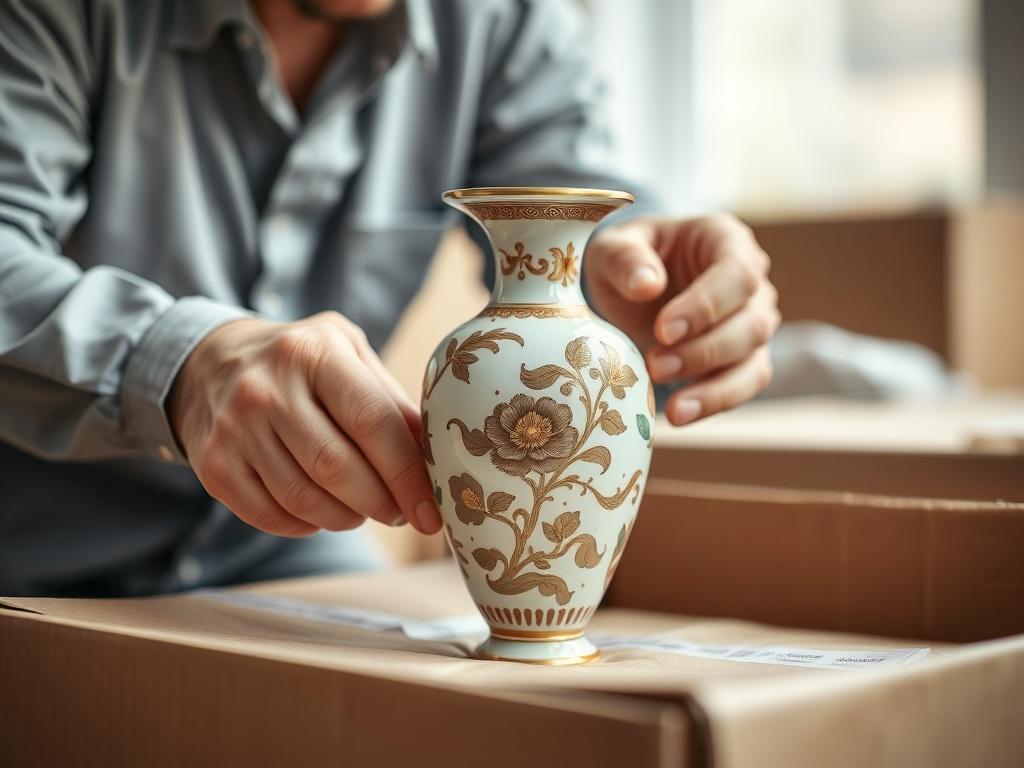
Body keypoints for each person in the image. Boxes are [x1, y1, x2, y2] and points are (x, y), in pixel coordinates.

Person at [0, 0, 779, 596]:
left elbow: (580, 208)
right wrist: (177, 365)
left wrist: (646, 300)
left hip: (287, 540)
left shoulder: (500, 23)